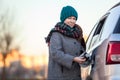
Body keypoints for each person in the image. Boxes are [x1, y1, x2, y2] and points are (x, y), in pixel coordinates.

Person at [45, 5, 86, 80]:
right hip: (60, 75)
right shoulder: (56, 33)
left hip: (75, 75)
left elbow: (80, 51)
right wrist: (73, 59)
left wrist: (84, 57)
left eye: (74, 18)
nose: (72, 21)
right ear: (63, 19)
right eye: (69, 18)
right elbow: (55, 53)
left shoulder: (77, 34)